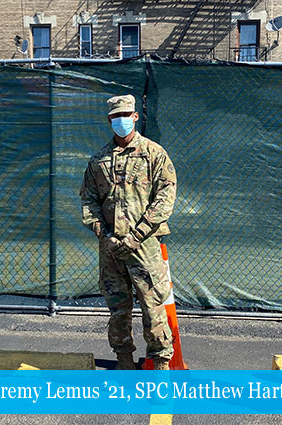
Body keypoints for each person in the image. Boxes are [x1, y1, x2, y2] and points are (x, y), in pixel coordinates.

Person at [80, 94, 177, 370]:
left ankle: (160, 365)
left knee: (153, 308)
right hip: (111, 251)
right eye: (115, 117)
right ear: (109, 120)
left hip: (144, 247)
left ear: (134, 117)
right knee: (118, 310)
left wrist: (137, 235)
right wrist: (105, 235)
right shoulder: (98, 160)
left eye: (125, 115)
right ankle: (123, 361)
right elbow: (88, 201)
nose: (120, 121)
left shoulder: (154, 155)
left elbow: (165, 199)